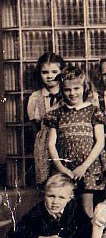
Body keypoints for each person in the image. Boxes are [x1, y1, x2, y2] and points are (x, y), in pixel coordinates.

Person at [45, 66, 106, 218]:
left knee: (87, 208)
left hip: (88, 167)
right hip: (65, 167)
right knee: (64, 205)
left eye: (76, 88)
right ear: (62, 90)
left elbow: (100, 142)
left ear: (84, 87)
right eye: (67, 89)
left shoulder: (94, 111)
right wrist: (60, 167)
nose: (72, 93)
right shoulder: (56, 114)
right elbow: (51, 145)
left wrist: (84, 167)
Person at [27, 53, 65, 189]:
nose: (49, 76)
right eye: (45, 72)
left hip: (64, 140)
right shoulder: (35, 97)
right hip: (44, 142)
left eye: (54, 72)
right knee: (47, 181)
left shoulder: (69, 94)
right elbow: (35, 127)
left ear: (62, 72)